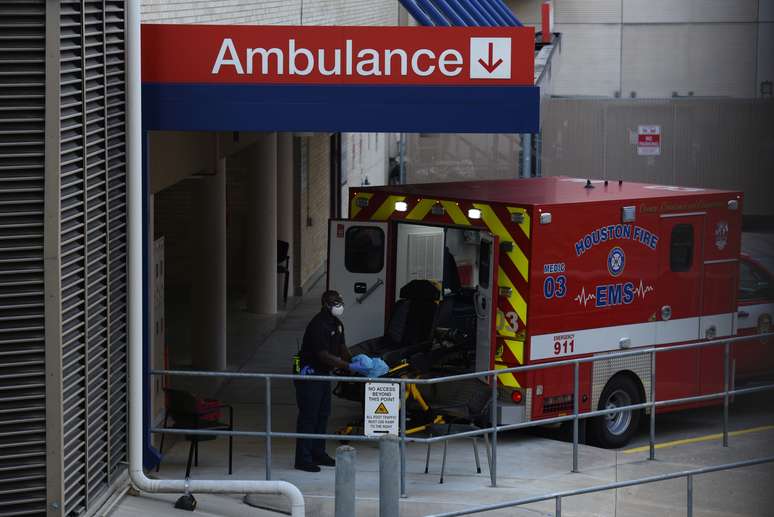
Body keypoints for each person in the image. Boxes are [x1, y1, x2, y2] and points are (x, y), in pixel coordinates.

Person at [294, 290, 369, 472]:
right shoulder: (318, 325)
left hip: (323, 374)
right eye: (334, 302)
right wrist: (347, 367)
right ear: (325, 304)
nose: (338, 305)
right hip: (309, 373)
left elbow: (342, 347)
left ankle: (318, 452)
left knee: (323, 414)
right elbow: (324, 355)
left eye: (339, 301)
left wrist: (353, 361)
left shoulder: (337, 323)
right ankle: (303, 458)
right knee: (309, 416)